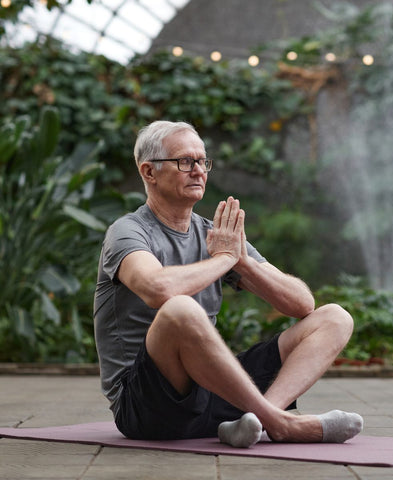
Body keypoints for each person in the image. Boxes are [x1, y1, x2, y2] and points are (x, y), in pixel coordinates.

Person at [94, 120, 363, 448]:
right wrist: (224, 259)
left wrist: (243, 261)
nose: (198, 171)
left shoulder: (217, 235)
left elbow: (301, 304)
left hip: (213, 395)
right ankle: (280, 423)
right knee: (180, 308)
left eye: (202, 161)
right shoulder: (127, 232)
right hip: (148, 409)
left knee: (334, 318)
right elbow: (157, 289)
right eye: (184, 162)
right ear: (149, 172)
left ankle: (258, 421)